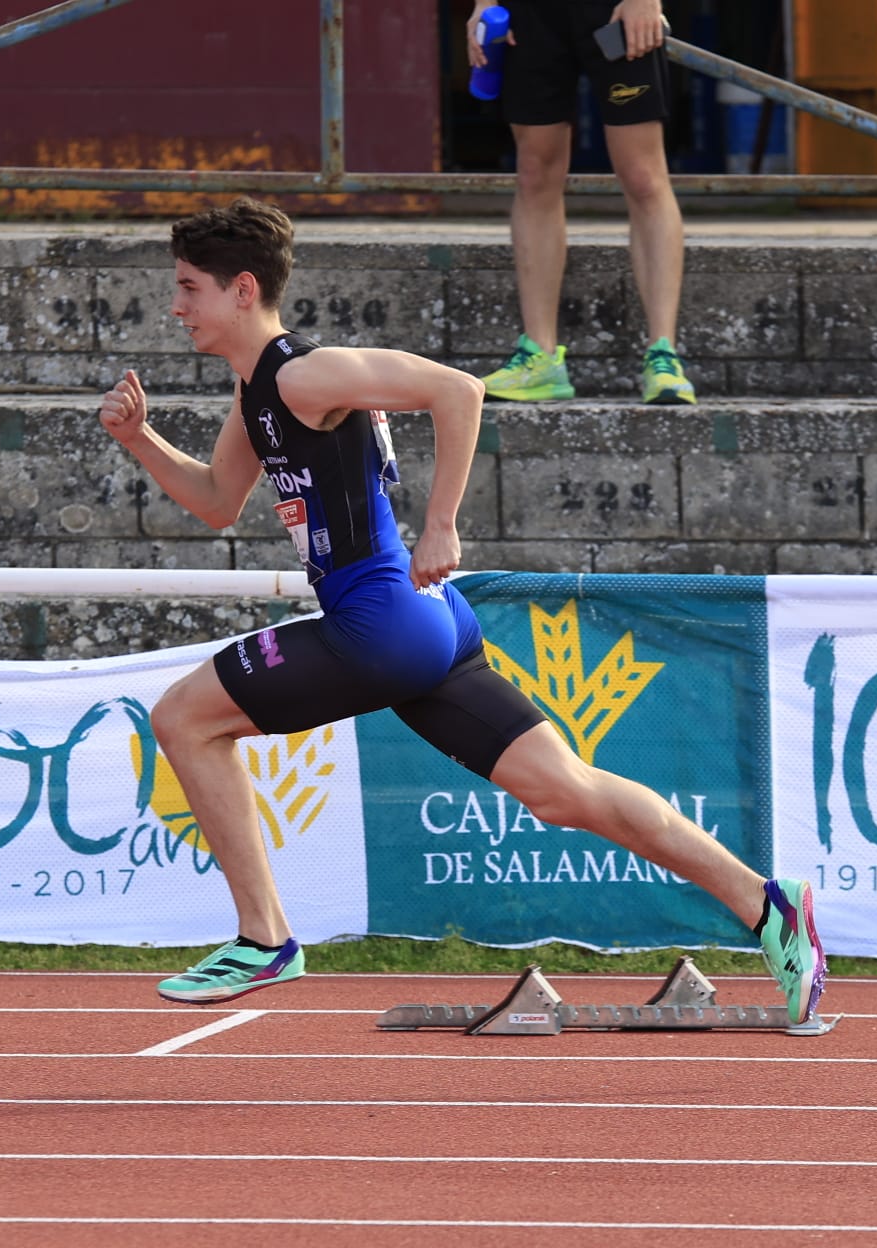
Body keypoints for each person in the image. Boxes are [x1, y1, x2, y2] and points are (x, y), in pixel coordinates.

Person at [96, 198, 821, 1021]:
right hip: (427, 628)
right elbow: (219, 500)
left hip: (381, 626)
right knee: (566, 793)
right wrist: (141, 441)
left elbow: (458, 389)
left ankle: (265, 940)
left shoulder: (304, 373)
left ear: (242, 290)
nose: (176, 306)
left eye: (189, 287)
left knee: (185, 719)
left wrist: (441, 523)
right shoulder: (254, 392)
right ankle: (768, 905)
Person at [467, 0, 695, 406]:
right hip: (529, 16)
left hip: (615, 9)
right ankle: (540, 358)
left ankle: (664, 356)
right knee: (535, 172)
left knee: (643, 175)